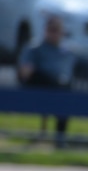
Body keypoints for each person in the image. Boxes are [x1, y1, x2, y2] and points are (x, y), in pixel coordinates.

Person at [17, 14, 75, 146]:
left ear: (62, 32)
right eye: (51, 29)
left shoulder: (67, 51)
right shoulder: (35, 48)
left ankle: (60, 139)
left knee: (65, 92)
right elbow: (25, 72)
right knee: (50, 81)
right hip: (38, 89)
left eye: (57, 30)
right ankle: (57, 139)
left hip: (61, 91)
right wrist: (28, 70)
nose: (54, 33)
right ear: (45, 30)